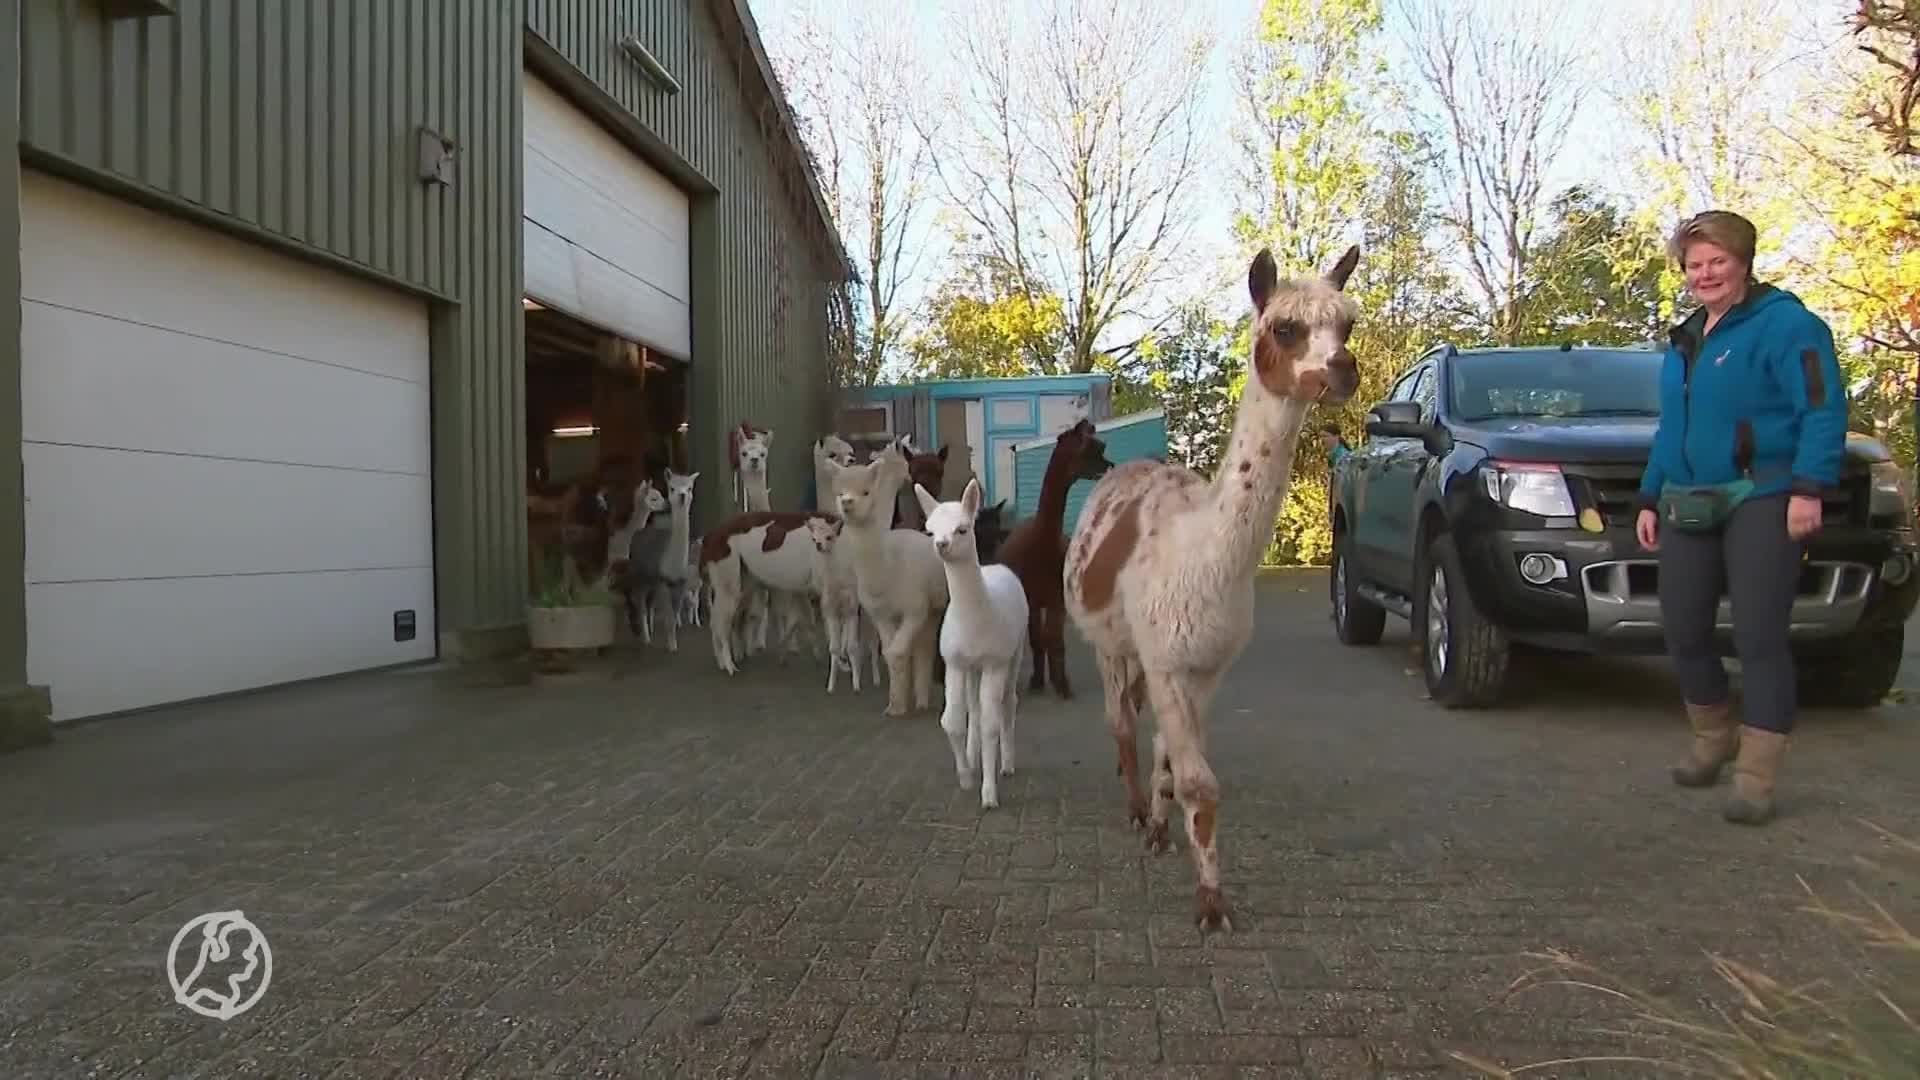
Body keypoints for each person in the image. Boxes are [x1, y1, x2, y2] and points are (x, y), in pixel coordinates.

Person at [1634, 210, 1847, 826]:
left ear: (1743, 262)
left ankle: (1757, 775)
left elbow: (1822, 407)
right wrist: (1650, 496)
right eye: (1695, 265)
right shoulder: (1686, 339)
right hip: (1686, 498)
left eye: (1717, 262)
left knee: (1758, 635)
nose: (1706, 274)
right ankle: (1713, 737)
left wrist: (1809, 488)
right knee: (1684, 630)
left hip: (1764, 494)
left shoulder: (1788, 325)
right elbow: (1672, 429)